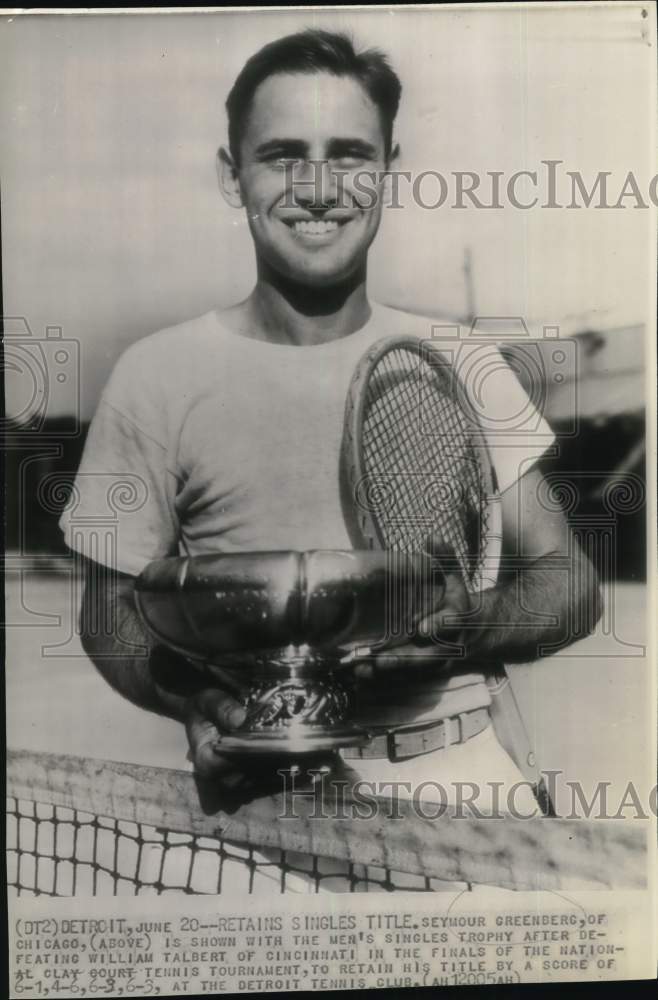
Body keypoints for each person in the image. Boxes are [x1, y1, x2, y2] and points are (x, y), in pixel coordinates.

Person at [61, 29, 601, 892]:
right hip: (259, 814)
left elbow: (568, 584)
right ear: (232, 174)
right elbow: (109, 612)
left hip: (462, 786)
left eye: (348, 154)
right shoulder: (153, 376)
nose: (317, 190)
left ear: (389, 167)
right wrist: (193, 703)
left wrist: (470, 627)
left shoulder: (462, 360)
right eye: (282, 156)